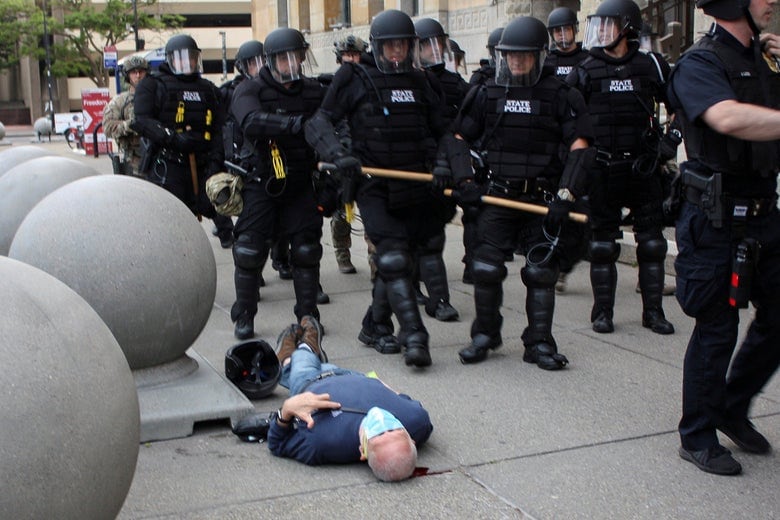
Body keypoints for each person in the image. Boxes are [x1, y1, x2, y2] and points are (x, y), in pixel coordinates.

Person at [668, 0, 780, 476]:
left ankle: (732, 408)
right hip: (715, 220)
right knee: (718, 327)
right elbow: (729, 118)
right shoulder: (700, 62)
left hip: (763, 214)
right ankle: (697, 434)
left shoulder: (769, 57)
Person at [305, 9, 451, 367]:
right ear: (378, 47)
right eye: (391, 46)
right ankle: (415, 336)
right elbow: (319, 121)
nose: (398, 52)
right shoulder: (354, 77)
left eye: (403, 45)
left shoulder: (422, 82)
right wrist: (339, 154)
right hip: (374, 185)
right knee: (393, 258)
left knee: (407, 260)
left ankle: (375, 325)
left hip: (416, 186)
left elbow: (443, 130)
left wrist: (448, 166)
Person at [448, 15, 594, 369]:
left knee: (541, 272)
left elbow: (581, 146)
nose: (515, 62)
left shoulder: (561, 94)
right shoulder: (487, 92)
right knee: (484, 267)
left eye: (523, 56)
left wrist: (566, 195)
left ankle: (539, 342)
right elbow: (456, 139)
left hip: (542, 198)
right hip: (500, 194)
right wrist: (465, 181)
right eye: (509, 56)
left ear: (539, 56)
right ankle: (485, 334)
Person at [566, 0, 679, 335]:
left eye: (607, 25)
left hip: (643, 167)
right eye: (597, 25)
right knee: (602, 245)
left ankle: (654, 312)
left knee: (653, 243)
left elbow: (680, 106)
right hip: (603, 168)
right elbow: (569, 119)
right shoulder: (585, 69)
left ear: (627, 28)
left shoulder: (651, 66)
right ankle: (603, 313)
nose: (600, 32)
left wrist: (671, 140)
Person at [228, 27, 327, 340]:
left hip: (300, 182)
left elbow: (332, 122)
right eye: (283, 59)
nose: (291, 64)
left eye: (295, 57)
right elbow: (251, 121)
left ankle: (308, 315)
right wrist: (294, 124)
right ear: (270, 61)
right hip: (262, 182)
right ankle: (244, 316)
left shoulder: (313, 90)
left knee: (307, 250)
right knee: (248, 250)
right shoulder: (250, 90)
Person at [267, 315, 433, 481]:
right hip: (350, 374)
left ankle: (302, 348)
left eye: (379, 434)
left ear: (362, 451)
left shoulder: (321, 443)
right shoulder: (418, 422)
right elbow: (404, 399)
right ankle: (294, 355)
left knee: (301, 363)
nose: (382, 420)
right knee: (297, 366)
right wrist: (388, 390)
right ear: (412, 439)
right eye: (395, 429)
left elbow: (277, 443)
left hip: (310, 381)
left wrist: (287, 410)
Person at [131, 34, 228, 234]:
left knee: (223, 219)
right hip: (168, 163)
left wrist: (215, 162)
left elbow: (220, 128)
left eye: (191, 57)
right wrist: (174, 139)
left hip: (204, 164)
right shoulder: (153, 85)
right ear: (171, 59)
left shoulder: (208, 89)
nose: (188, 62)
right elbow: (142, 121)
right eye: (182, 58)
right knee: (171, 222)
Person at [414, 17, 468, 322]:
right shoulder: (402, 79)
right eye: (426, 46)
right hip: (407, 168)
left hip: (441, 167)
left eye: (438, 44)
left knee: (432, 237)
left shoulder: (453, 83)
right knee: (403, 241)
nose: (433, 51)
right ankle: (408, 289)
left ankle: (439, 299)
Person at [103, 55, 149, 177]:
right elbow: (108, 127)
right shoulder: (120, 101)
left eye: (141, 72)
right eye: (134, 72)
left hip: (157, 159)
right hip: (133, 160)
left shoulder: (157, 97)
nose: (138, 76)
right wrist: (131, 125)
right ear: (127, 75)